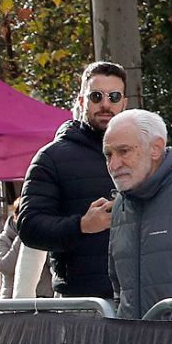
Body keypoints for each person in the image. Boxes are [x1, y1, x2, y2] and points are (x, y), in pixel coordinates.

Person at [18, 61, 126, 301]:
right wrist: (81, 226)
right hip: (84, 303)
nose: (105, 104)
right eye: (96, 96)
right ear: (81, 101)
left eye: (114, 96)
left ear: (124, 103)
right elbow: (29, 226)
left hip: (143, 301)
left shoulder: (145, 153)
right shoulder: (51, 158)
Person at [105, 108, 172, 319]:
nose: (113, 164)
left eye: (124, 151)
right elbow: (118, 284)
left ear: (156, 148)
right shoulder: (121, 203)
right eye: (108, 155)